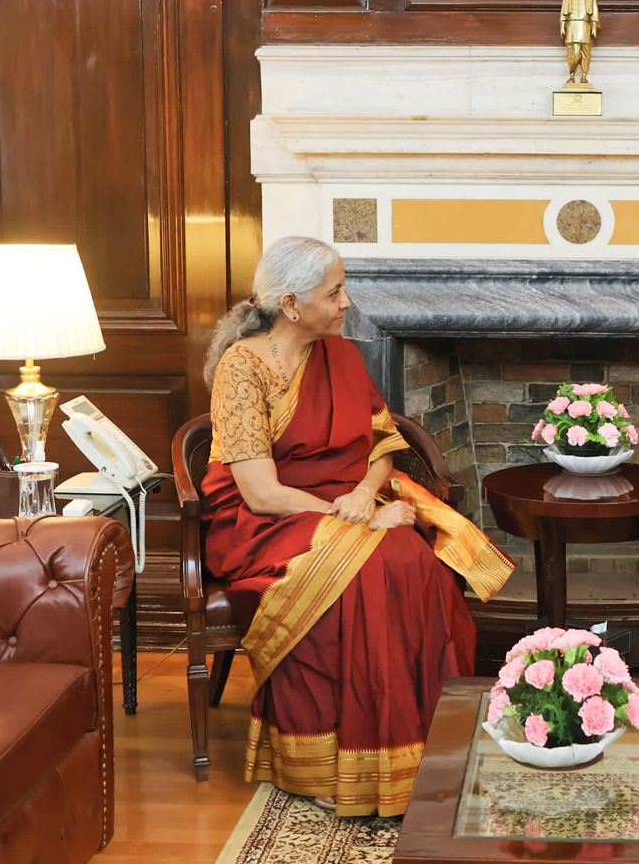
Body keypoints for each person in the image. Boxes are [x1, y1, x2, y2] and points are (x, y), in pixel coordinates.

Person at [200, 236, 514, 817]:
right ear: (292, 304)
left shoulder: (341, 355)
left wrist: (368, 493)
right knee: (371, 565)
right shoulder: (242, 369)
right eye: (335, 292)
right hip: (264, 522)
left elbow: (382, 447)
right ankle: (330, 759)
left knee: (415, 561)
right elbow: (260, 493)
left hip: (346, 502)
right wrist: (359, 516)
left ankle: (424, 749)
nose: (347, 303)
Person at [560, 0, 600, 85]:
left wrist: (594, 25)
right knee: (574, 53)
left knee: (586, 52)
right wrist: (562, 25)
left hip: (584, 25)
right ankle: (572, 74)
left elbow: (594, 10)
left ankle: (583, 76)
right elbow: (563, 12)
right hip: (572, 25)